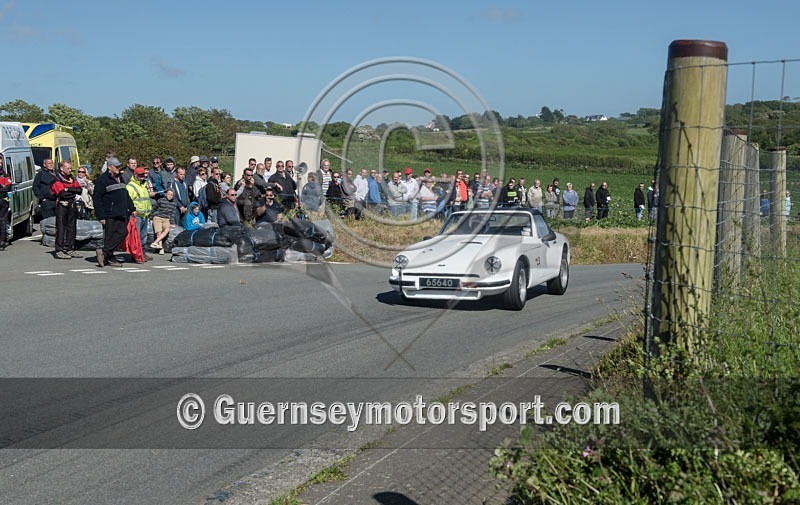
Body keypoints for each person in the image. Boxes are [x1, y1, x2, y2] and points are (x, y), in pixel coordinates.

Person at [93, 156, 135, 267]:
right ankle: (108, 257)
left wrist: (132, 208)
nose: (118, 168)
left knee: (123, 233)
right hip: (109, 213)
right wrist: (101, 216)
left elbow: (125, 194)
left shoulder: (120, 178)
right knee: (110, 236)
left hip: (122, 212)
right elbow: (97, 198)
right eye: (116, 166)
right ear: (110, 167)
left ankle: (104, 253)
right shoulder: (102, 180)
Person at [50, 161, 84, 260]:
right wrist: (71, 191)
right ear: (62, 169)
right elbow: (61, 194)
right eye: (68, 168)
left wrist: (67, 189)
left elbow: (79, 190)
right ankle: (59, 250)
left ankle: (69, 248)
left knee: (72, 227)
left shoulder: (72, 178)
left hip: (72, 205)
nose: (70, 170)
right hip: (62, 205)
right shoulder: (56, 179)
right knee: (61, 227)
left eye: (70, 168)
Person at [126, 166, 155, 261]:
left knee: (143, 237)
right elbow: (128, 201)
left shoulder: (143, 185)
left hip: (145, 215)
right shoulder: (130, 187)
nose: (143, 177)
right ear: (136, 175)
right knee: (136, 237)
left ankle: (142, 253)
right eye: (141, 175)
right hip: (136, 215)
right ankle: (135, 255)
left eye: (144, 175)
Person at [149, 188, 177, 254]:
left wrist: (172, 223)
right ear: (166, 194)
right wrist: (150, 218)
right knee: (159, 231)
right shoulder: (160, 200)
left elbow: (172, 214)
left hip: (166, 218)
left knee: (167, 229)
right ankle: (161, 248)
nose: (170, 196)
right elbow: (154, 209)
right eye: (168, 194)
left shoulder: (174, 204)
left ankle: (155, 242)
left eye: (171, 195)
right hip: (158, 217)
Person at [0, 166, 13, 250]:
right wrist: (2, 186)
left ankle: (1, 241)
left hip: (3, 201)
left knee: (2, 221)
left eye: (1, 162)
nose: (0, 164)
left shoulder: (4, 174)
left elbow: (8, 187)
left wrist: (2, 188)